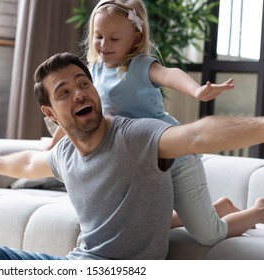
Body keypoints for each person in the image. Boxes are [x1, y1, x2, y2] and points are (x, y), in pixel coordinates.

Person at [0, 52, 264, 260]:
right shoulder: (65, 154)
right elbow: (30, 163)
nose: (79, 93)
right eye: (64, 92)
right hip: (74, 264)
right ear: (50, 113)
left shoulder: (135, 136)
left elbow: (198, 135)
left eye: (84, 83)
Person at [46, 0, 248, 245]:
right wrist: (53, 147)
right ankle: (220, 207)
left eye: (114, 38)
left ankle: (257, 210)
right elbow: (76, 118)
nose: (104, 44)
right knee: (139, 223)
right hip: (141, 167)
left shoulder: (140, 66)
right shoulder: (93, 72)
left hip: (175, 160)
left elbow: (169, 74)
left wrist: (196, 91)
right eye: (98, 36)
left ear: (135, 37)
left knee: (209, 235)